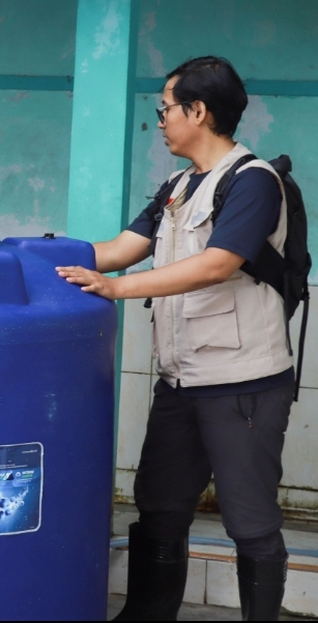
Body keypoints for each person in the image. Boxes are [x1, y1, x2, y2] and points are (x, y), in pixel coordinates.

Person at [57, 57, 293, 621]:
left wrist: (117, 289)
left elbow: (217, 263)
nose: (160, 120)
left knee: (250, 521)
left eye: (165, 109)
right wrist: (35, 256)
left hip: (242, 383)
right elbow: (119, 249)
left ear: (198, 110)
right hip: (180, 382)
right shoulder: (178, 186)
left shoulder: (254, 181)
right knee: (160, 508)